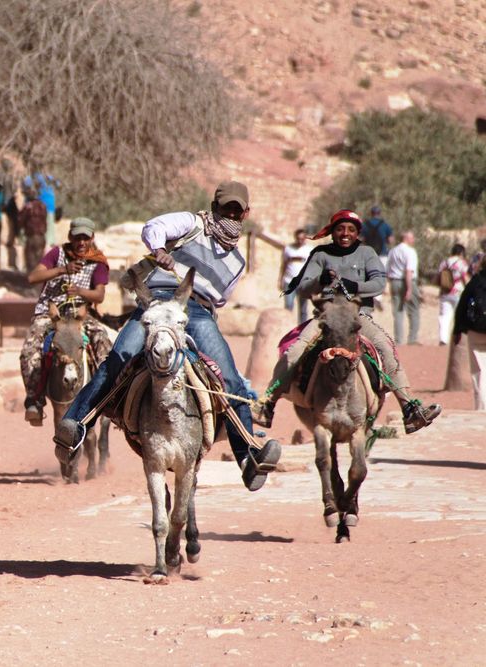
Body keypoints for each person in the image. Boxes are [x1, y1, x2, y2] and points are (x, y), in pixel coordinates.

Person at [53, 181, 282, 492]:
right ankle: (76, 427)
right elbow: (153, 227)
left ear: (245, 213)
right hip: (158, 300)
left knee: (229, 378)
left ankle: (248, 457)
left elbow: (220, 299)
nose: (230, 213)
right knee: (118, 359)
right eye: (225, 207)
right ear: (214, 207)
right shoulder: (192, 224)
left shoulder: (238, 262)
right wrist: (159, 250)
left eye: (236, 209)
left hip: (197, 313)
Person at [254, 210, 441, 434]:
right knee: (296, 349)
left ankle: (409, 408)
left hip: (358, 316)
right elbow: (302, 287)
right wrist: (318, 281)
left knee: (384, 346)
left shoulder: (367, 253)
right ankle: (267, 404)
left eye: (350, 230)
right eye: (340, 229)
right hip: (326, 317)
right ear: (332, 231)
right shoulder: (320, 254)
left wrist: (355, 286)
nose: (345, 234)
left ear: (357, 233)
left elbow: (379, 283)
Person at [19, 217, 113, 426]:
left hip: (80, 316)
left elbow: (99, 296)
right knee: (30, 351)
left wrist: (80, 291)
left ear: (91, 239)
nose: (81, 242)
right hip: (49, 314)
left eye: (85, 238)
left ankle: (108, 397)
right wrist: (62, 270)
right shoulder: (57, 254)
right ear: (70, 237)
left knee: (104, 345)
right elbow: (33, 277)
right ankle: (34, 400)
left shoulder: (98, 261)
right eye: (77, 237)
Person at [453, 257, 486, 410]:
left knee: (479, 371)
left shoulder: (475, 281)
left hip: (476, 330)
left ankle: (481, 408)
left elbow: (462, 305)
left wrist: (458, 330)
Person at [386, 230, 421, 345]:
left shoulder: (393, 251)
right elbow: (409, 271)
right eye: (412, 238)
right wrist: (409, 288)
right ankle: (412, 339)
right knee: (414, 310)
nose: (413, 240)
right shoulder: (410, 251)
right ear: (407, 238)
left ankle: (398, 340)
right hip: (408, 281)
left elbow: (388, 268)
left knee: (398, 312)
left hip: (395, 282)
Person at [437, 243, 470, 346]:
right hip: (458, 292)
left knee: (444, 316)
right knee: (460, 315)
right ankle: (458, 339)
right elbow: (465, 277)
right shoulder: (462, 263)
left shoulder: (444, 263)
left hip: (445, 292)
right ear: (461, 253)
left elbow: (439, 277)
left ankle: (443, 339)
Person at [279, 228, 312, 323]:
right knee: (288, 306)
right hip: (289, 281)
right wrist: (280, 279)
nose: (300, 241)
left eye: (302, 239)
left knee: (303, 308)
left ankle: (301, 329)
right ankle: (286, 326)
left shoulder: (310, 250)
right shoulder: (288, 249)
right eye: (298, 238)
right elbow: (284, 265)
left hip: (303, 282)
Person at [24, 172, 60, 246]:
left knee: (43, 225)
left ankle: (46, 243)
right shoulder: (47, 177)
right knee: (49, 226)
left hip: (42, 207)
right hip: (47, 206)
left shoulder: (36, 177)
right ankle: (50, 242)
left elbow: (26, 183)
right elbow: (58, 184)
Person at [19, 186, 48, 272]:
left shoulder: (28, 206)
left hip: (31, 236)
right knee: (39, 259)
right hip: (41, 236)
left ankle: (32, 280)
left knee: (30, 259)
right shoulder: (43, 206)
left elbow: (21, 220)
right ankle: (39, 281)